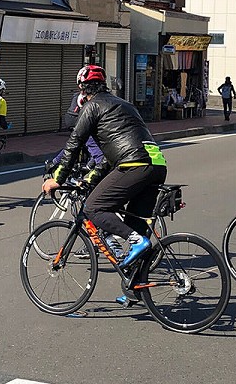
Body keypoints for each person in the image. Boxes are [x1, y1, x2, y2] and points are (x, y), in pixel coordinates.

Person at [43, 64, 167, 286]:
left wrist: (57, 179)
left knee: (93, 207)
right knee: (134, 223)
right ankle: (135, 286)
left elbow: (73, 144)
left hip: (135, 164)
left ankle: (136, 241)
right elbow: (111, 156)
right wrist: (90, 179)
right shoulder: (125, 105)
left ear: (83, 89)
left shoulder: (92, 107)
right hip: (157, 165)